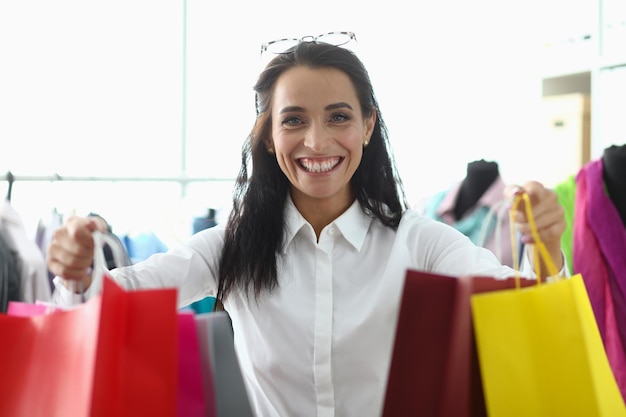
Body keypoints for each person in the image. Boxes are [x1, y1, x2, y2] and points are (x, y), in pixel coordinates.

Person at [47, 35, 567, 417]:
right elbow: (106, 305)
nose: (316, 142)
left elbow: (523, 311)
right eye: (294, 119)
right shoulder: (233, 248)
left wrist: (545, 246)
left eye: (338, 117)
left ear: (367, 126)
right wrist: (76, 265)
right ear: (271, 137)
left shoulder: (418, 242)